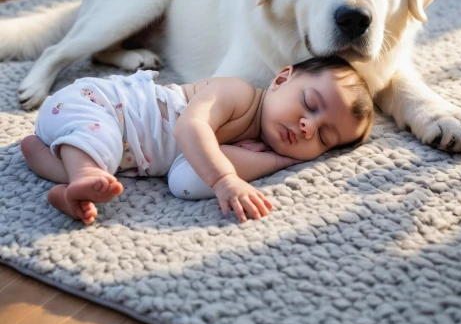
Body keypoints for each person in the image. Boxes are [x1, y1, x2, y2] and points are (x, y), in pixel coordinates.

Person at [21, 56, 374, 225]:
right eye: (310, 105)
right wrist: (225, 179)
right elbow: (189, 129)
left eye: (324, 136)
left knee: (107, 167)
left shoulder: (249, 145)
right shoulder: (235, 92)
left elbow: (184, 182)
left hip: (97, 138)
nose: (307, 128)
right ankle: (81, 174)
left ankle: (49, 159)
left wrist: (276, 160)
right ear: (282, 79)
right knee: (102, 142)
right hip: (95, 104)